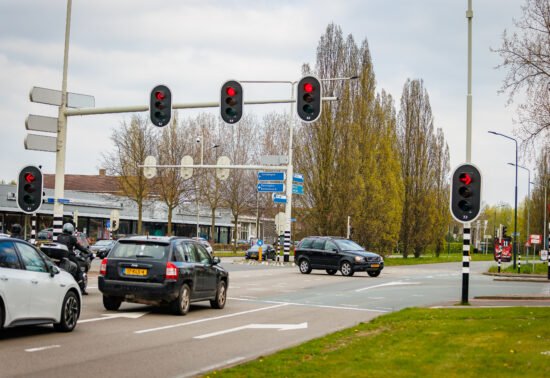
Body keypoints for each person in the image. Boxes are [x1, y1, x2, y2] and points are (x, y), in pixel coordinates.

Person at [57, 223, 89, 295]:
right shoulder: (72, 238)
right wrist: (86, 251)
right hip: (69, 256)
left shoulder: (59, 237)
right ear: (71, 230)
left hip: (60, 257)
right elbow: (79, 247)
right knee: (79, 271)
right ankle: (82, 288)